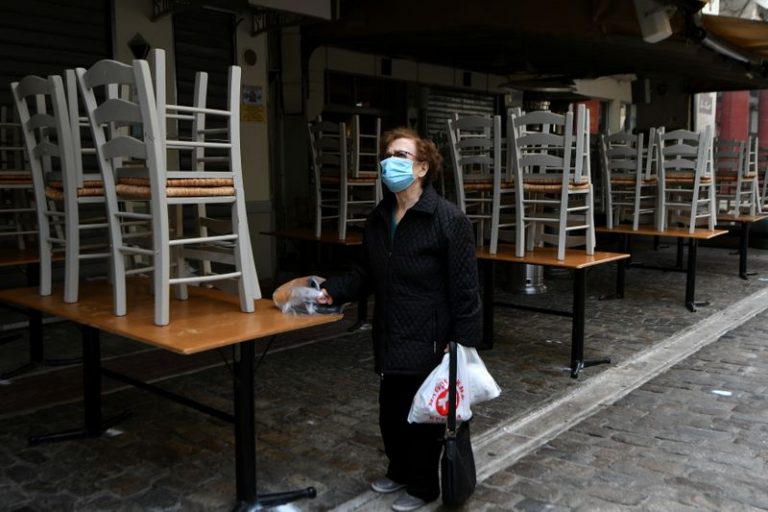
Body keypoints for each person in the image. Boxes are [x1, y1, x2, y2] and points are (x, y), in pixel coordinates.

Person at [317, 127, 482, 512]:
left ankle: (423, 486)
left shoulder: (447, 219)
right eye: (388, 154)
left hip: (429, 336)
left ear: (422, 167)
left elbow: (464, 287)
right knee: (391, 412)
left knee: (422, 416)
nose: (390, 161)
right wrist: (335, 290)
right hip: (390, 332)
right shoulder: (379, 217)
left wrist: (461, 341)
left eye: (401, 155)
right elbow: (365, 272)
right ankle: (398, 470)